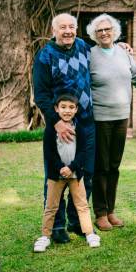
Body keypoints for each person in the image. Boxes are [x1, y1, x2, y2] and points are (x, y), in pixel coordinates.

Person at [32, 13, 96, 244]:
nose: (68, 31)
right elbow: (40, 94)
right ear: (54, 30)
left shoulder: (83, 46)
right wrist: (56, 122)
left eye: (72, 27)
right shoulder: (45, 56)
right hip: (59, 126)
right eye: (63, 27)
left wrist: (122, 47)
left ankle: (77, 221)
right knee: (56, 173)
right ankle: (57, 226)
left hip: (86, 122)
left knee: (84, 173)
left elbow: (103, 51)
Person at [87, 14, 136, 231]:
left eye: (107, 29)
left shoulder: (124, 53)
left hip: (122, 118)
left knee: (114, 166)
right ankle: (100, 213)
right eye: (99, 30)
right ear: (94, 34)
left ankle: (111, 211)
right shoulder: (89, 54)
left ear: (114, 32)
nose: (104, 33)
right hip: (100, 119)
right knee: (100, 167)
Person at [33, 94, 101, 252]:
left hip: (75, 175)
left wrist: (71, 167)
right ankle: (45, 236)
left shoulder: (80, 129)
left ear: (76, 109)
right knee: (51, 206)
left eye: (71, 107)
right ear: (56, 109)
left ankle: (89, 233)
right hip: (56, 175)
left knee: (82, 205)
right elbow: (49, 152)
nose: (67, 110)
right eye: (63, 107)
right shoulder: (51, 129)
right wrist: (60, 168)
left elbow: (83, 151)